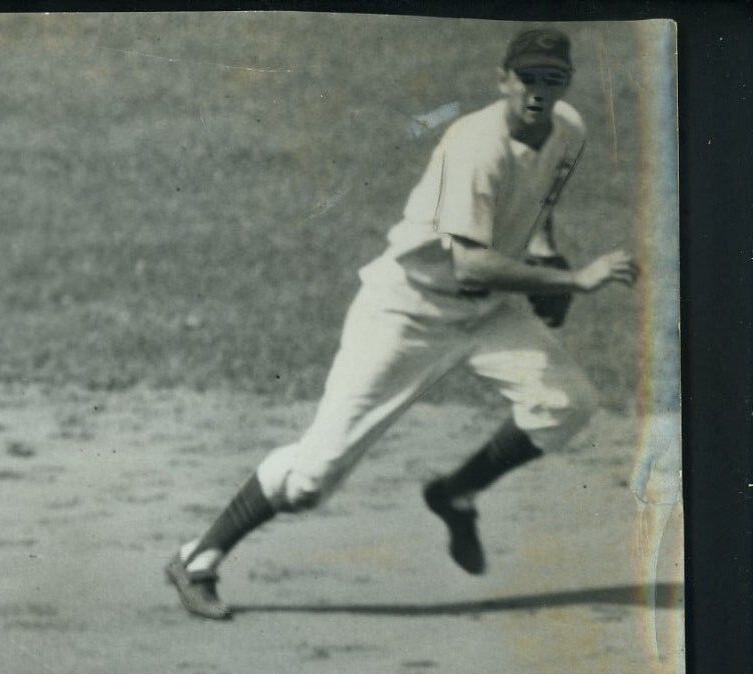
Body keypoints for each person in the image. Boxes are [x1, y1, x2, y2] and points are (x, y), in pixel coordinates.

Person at [166, 27, 639, 621]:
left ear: (566, 84)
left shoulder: (569, 130)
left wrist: (545, 252)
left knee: (566, 402)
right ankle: (198, 557)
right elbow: (472, 260)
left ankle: (455, 492)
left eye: (552, 80)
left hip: (489, 310)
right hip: (408, 311)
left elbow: (543, 200)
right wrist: (573, 281)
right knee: (312, 477)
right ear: (503, 81)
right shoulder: (476, 146)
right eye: (527, 80)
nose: (538, 94)